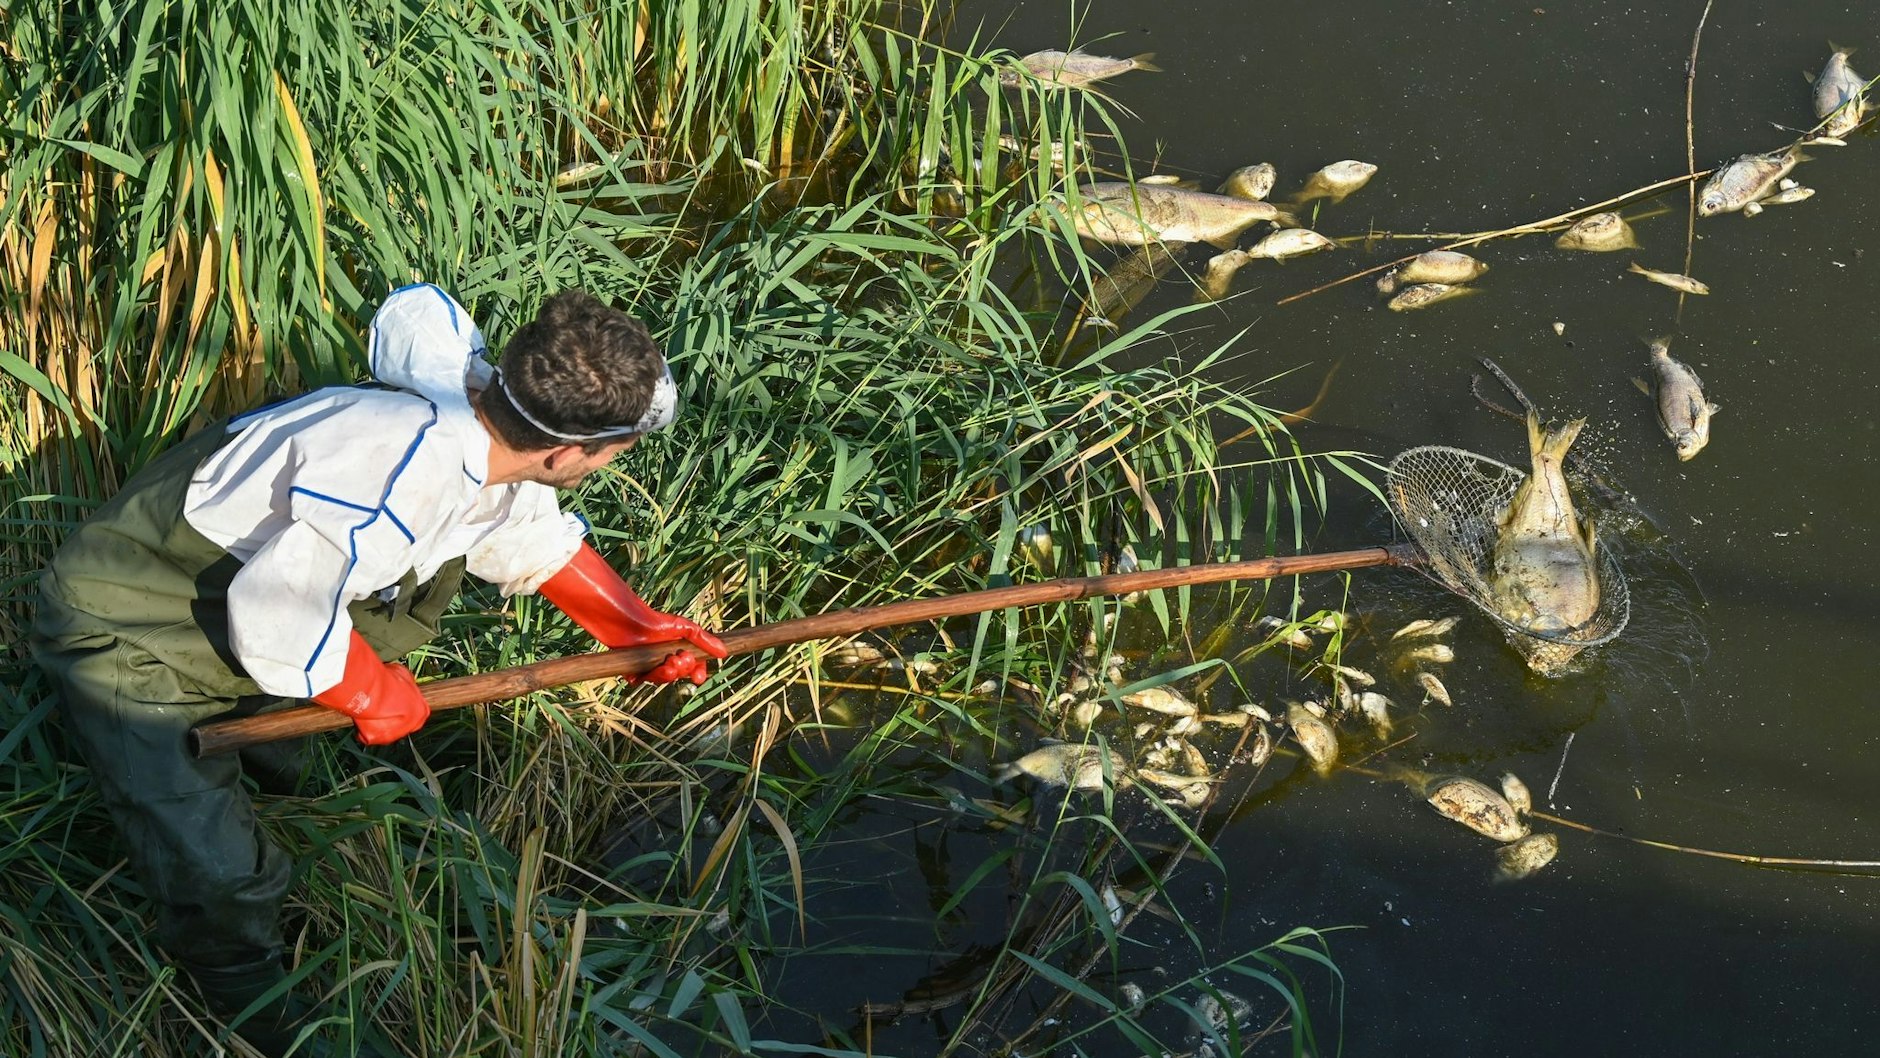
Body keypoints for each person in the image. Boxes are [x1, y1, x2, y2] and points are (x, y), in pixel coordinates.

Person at [30, 284, 728, 1055]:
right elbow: (276, 609)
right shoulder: (403, 465)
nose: (605, 466)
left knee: (280, 767)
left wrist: (636, 628)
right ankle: (261, 1010)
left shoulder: (490, 420)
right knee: (220, 871)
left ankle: (264, 778)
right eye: (610, 454)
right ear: (565, 450)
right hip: (133, 625)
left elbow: (520, 535)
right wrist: (370, 690)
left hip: (232, 614)